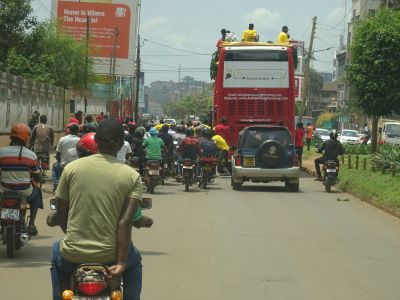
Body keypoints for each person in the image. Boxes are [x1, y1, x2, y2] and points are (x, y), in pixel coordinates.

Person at [51, 119, 144, 300]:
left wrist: (74, 238)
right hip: (111, 255)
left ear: (97, 140)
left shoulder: (71, 169)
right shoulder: (132, 176)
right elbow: (125, 222)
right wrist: (121, 263)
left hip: (73, 254)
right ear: (119, 144)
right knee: (135, 262)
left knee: (56, 253)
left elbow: (62, 215)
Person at [0, 123, 43, 235]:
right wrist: (38, 179)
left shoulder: (1, 152)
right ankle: (32, 224)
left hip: (4, 191)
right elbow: (36, 174)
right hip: (25, 192)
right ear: (25, 137)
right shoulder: (31, 155)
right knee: (37, 193)